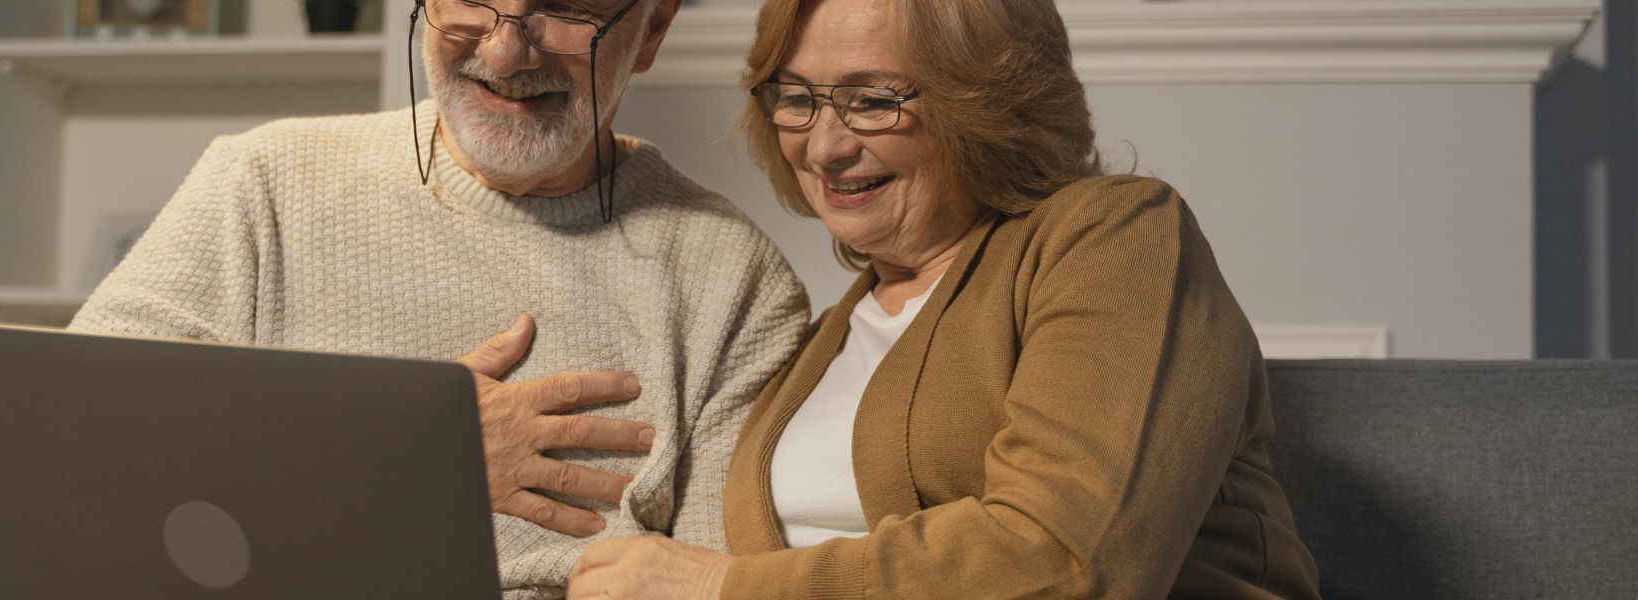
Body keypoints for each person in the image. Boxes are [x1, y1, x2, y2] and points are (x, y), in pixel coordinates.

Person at [562, 0, 1324, 597]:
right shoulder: (823, 337)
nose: (824, 146)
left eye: (872, 100)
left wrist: (721, 588)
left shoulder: (1113, 235)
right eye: (796, 98)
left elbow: (1068, 563)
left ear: (987, 101)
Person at [67, 0, 812, 597]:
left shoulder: (735, 279)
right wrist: (401, 451)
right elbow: (68, 443)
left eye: (560, 6)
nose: (504, 50)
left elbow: (712, 577)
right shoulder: (259, 183)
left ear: (651, 28)